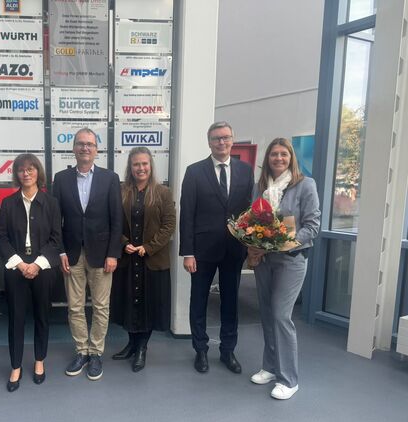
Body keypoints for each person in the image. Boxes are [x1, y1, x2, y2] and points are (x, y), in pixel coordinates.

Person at [179, 121, 254, 374]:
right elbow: (187, 213)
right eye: (216, 138)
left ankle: (227, 351)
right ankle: (200, 350)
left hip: (234, 249)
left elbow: (248, 212)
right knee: (198, 301)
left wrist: (249, 246)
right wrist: (188, 252)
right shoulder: (194, 172)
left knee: (230, 302)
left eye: (225, 137)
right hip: (202, 250)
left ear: (232, 140)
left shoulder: (245, 171)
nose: (221, 142)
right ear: (209, 142)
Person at [248, 138, 320, 400]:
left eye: (283, 154)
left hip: (291, 259)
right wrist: (253, 245)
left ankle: (289, 379)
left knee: (280, 315)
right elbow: (253, 221)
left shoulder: (305, 185)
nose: (278, 158)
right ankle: (270, 366)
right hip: (264, 260)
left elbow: (312, 226)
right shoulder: (260, 187)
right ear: (267, 159)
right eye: (274, 154)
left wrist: (282, 243)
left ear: (291, 158)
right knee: (267, 314)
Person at [52, 128, 123, 380]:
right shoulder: (61, 179)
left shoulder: (110, 178)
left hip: (102, 254)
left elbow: (117, 219)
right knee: (75, 306)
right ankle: (81, 351)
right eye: (81, 143)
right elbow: (55, 220)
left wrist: (113, 253)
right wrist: (60, 251)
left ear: (96, 149)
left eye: (90, 144)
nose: (85, 148)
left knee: (101, 307)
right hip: (71, 254)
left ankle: (96, 353)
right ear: (73, 148)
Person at [0, 154, 62, 392]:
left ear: (38, 172)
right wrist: (20, 264)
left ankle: (39, 360)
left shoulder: (51, 203)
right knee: (16, 318)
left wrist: (37, 264)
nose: (26, 173)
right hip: (16, 268)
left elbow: (56, 239)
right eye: (21, 169)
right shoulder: (8, 203)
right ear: (16, 174)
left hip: (42, 268)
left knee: (42, 315)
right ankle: (15, 366)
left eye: (31, 169)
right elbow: (1, 237)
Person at [110, 147, 176, 372]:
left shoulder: (163, 193)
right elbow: (112, 222)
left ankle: (142, 348)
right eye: (136, 164)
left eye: (144, 163)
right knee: (129, 304)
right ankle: (131, 344)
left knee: (149, 305)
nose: (141, 168)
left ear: (151, 165)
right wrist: (123, 242)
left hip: (152, 260)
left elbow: (169, 225)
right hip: (127, 260)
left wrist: (148, 247)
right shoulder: (120, 192)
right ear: (130, 167)